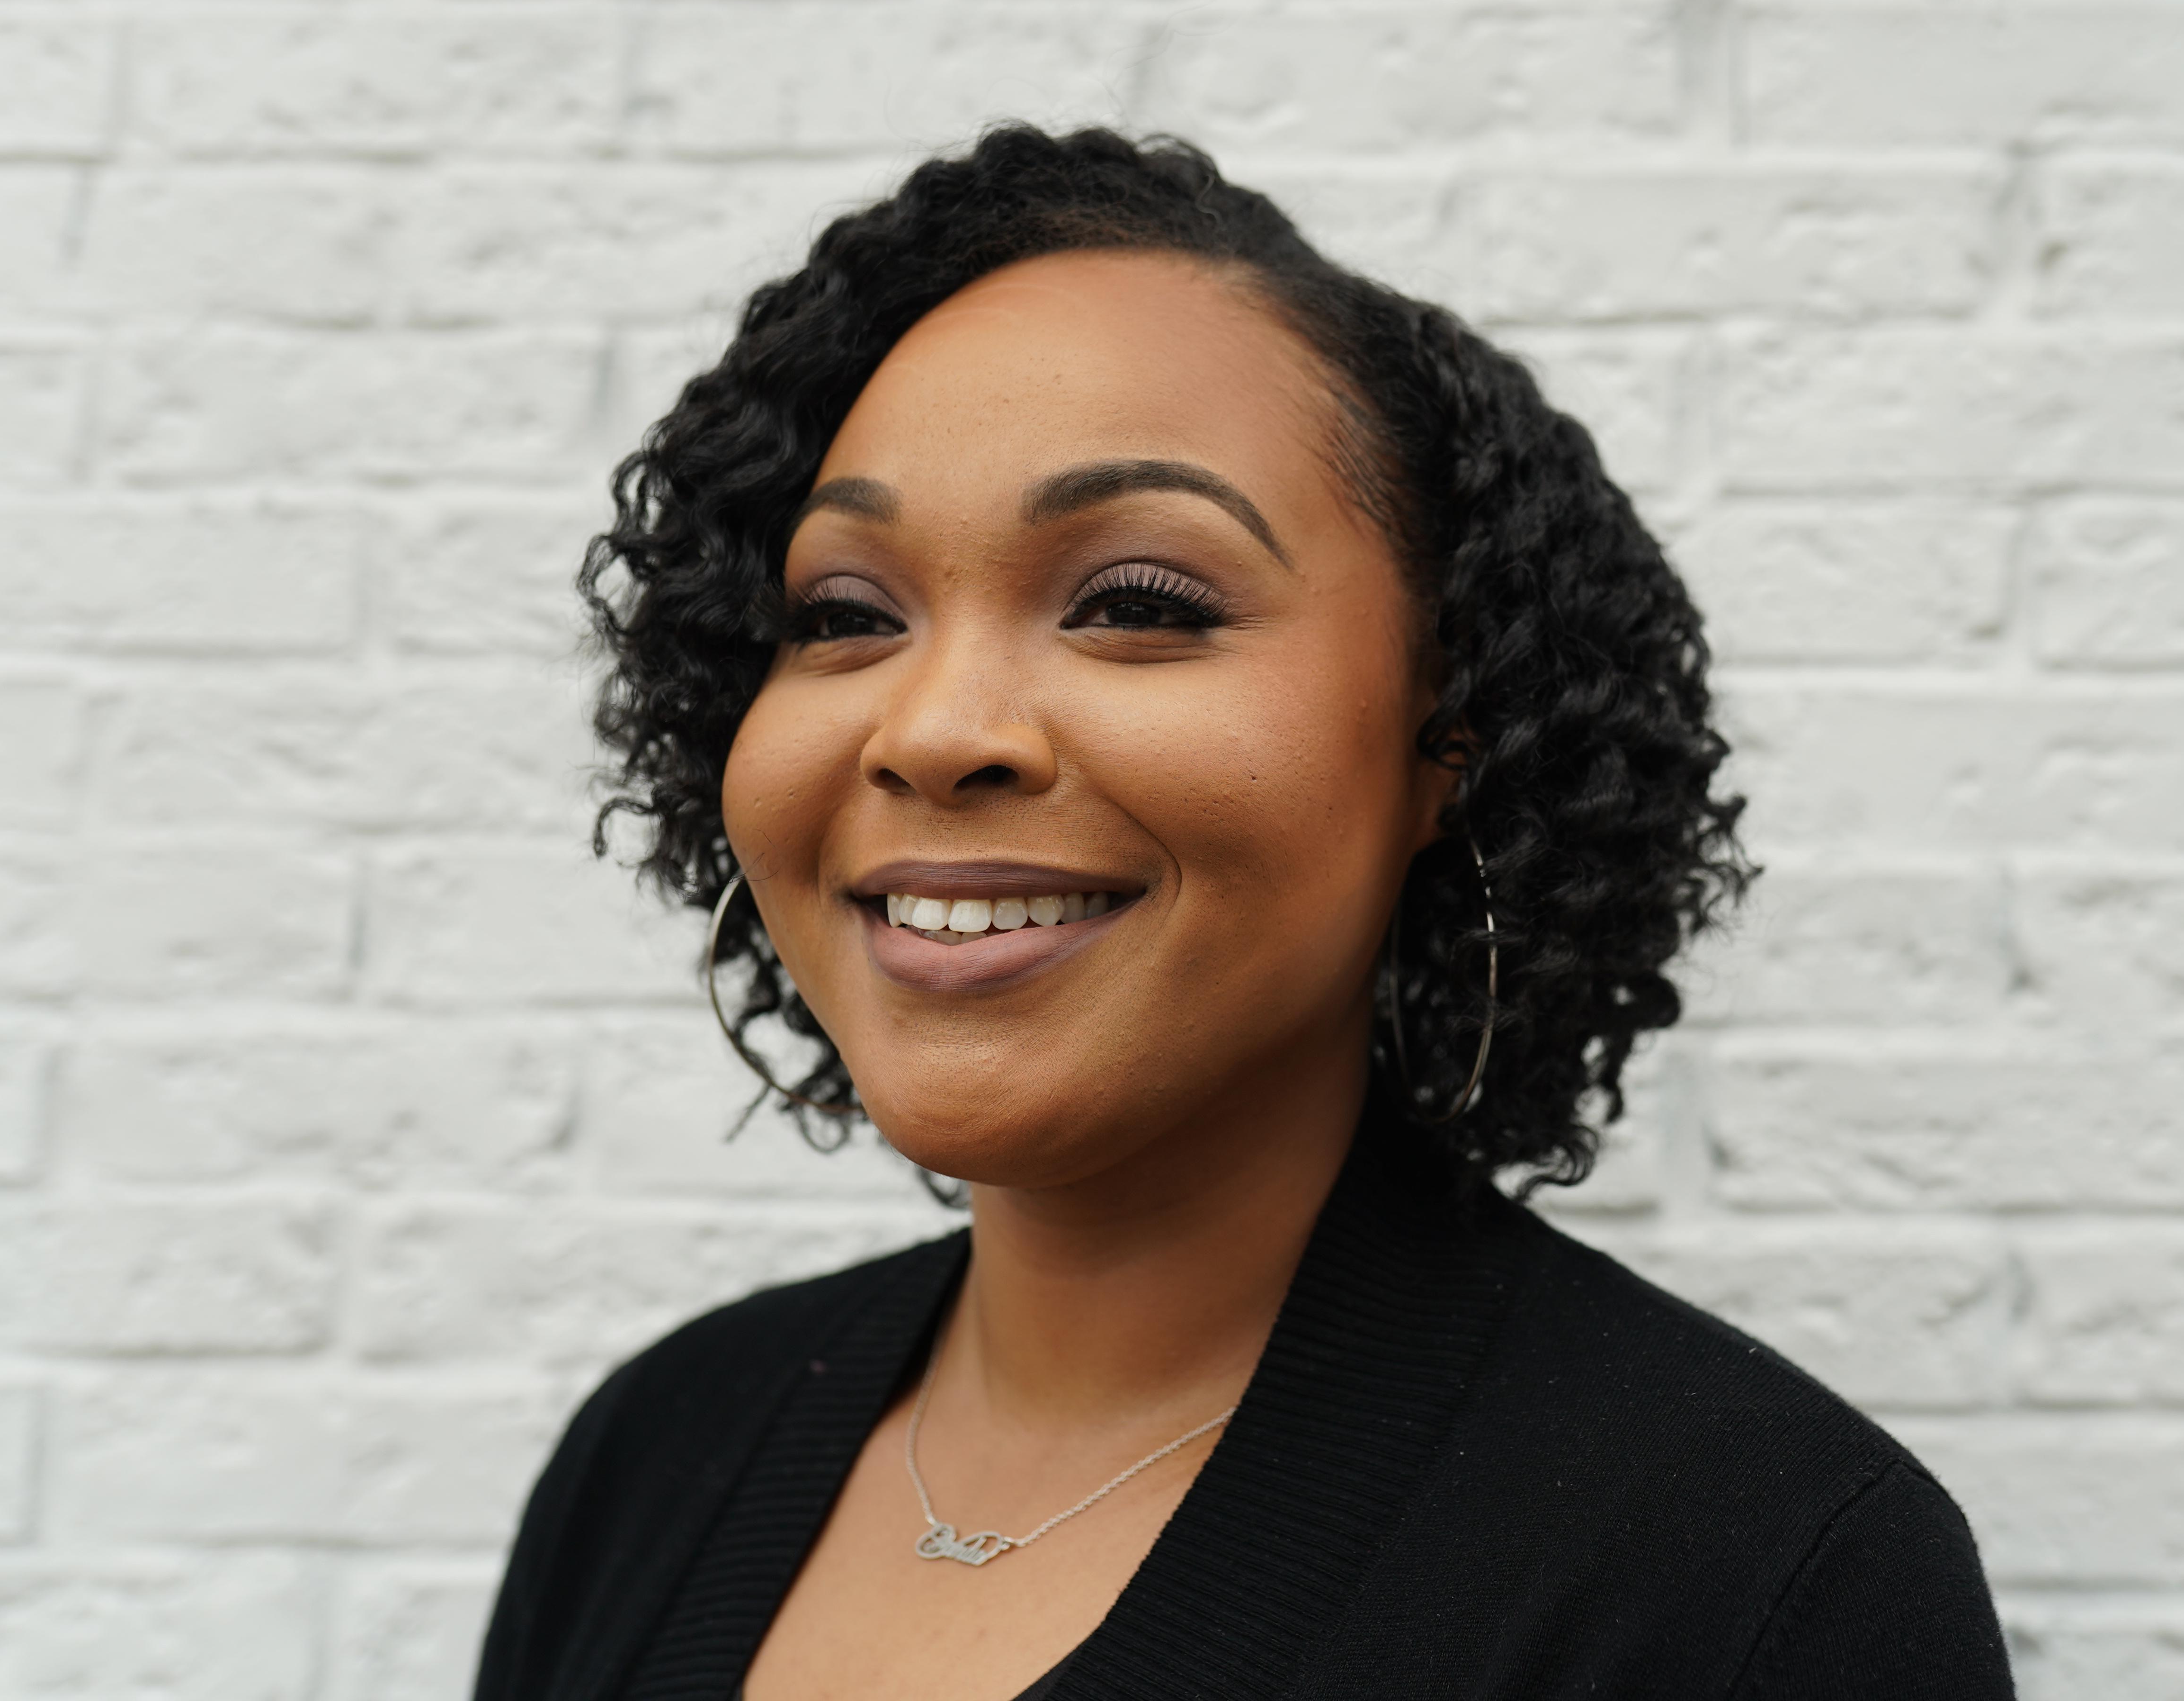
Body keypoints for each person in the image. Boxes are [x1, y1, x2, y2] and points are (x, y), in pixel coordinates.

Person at [472, 125, 2013, 1701]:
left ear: (1452, 730)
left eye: (1138, 603)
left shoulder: (1748, 1574)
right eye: (843, 614)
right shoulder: (656, 1459)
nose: (932, 731)